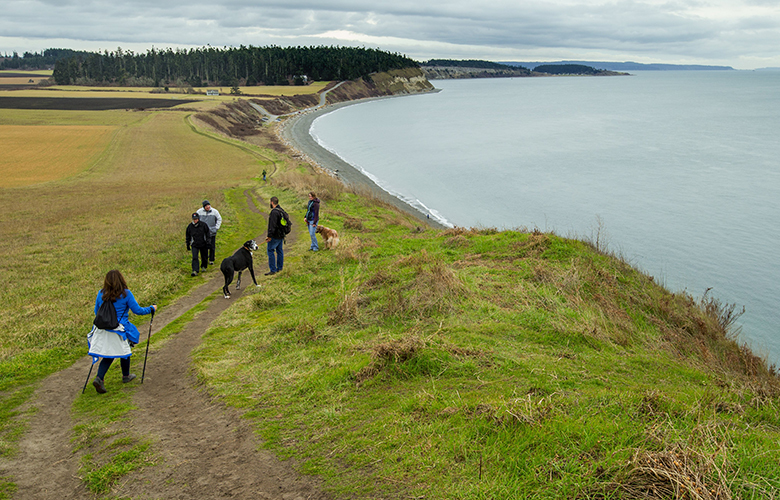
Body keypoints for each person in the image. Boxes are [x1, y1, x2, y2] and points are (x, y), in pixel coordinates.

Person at [90, 269, 157, 394]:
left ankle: (99, 378)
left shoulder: (101, 294)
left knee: (108, 355)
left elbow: (96, 312)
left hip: (104, 329)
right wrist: (151, 309)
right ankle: (126, 376)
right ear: (121, 279)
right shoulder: (125, 294)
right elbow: (138, 310)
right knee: (125, 349)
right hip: (120, 329)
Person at [196, 200, 222, 265]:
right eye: (206, 206)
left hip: (212, 232)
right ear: (203, 207)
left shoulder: (215, 212)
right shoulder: (199, 212)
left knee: (212, 246)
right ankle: (205, 259)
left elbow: (219, 219)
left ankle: (211, 259)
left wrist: (216, 228)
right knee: (204, 247)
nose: (208, 207)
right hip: (203, 233)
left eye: (208, 205)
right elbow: (196, 220)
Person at [265, 196, 286, 275]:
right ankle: (280, 268)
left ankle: (273, 270)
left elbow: (272, 226)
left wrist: (269, 236)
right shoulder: (281, 210)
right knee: (279, 251)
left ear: (272, 202)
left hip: (275, 235)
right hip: (281, 235)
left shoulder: (274, 212)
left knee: (270, 250)